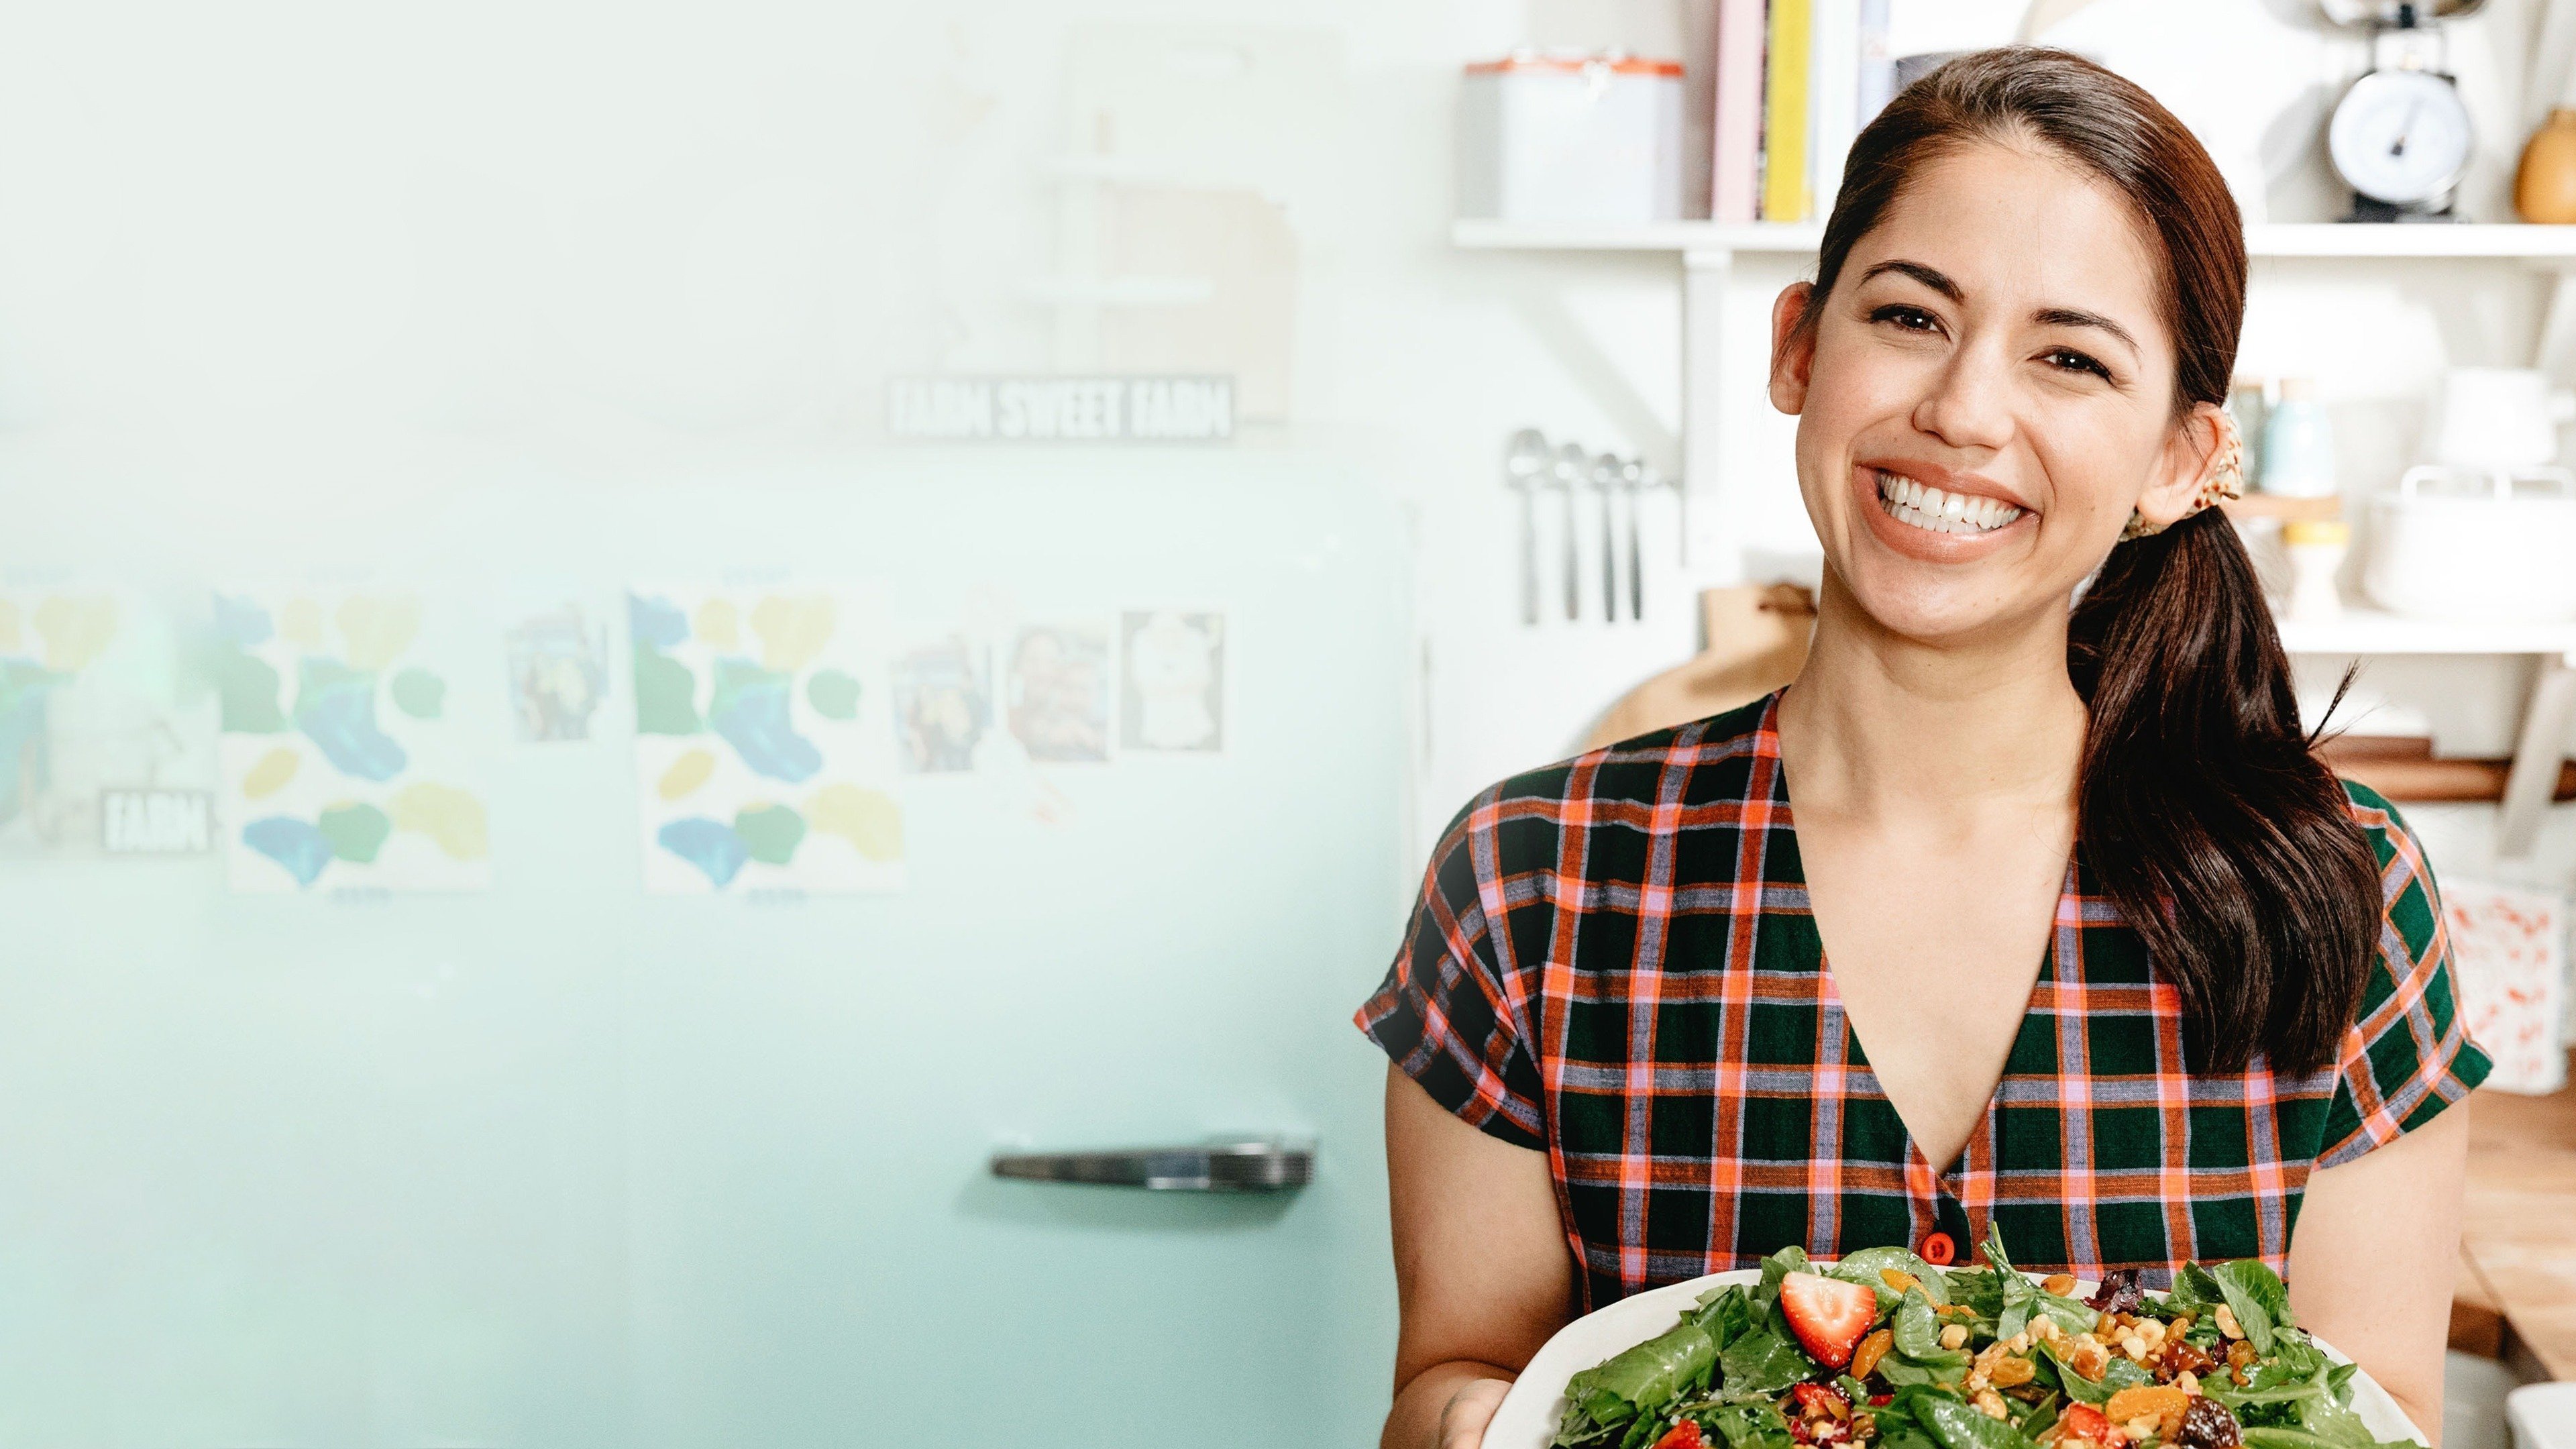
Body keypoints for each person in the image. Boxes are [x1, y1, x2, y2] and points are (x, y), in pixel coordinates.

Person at [1360, 48, 2488, 1449]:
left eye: (2070, 357)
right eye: (1909, 316)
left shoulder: (2347, 891)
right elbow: (1453, 1384)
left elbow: (2380, 1419)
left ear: (2181, 462)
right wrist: (1479, 1425)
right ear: (1799, 347)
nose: (1962, 411)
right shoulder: (1532, 885)